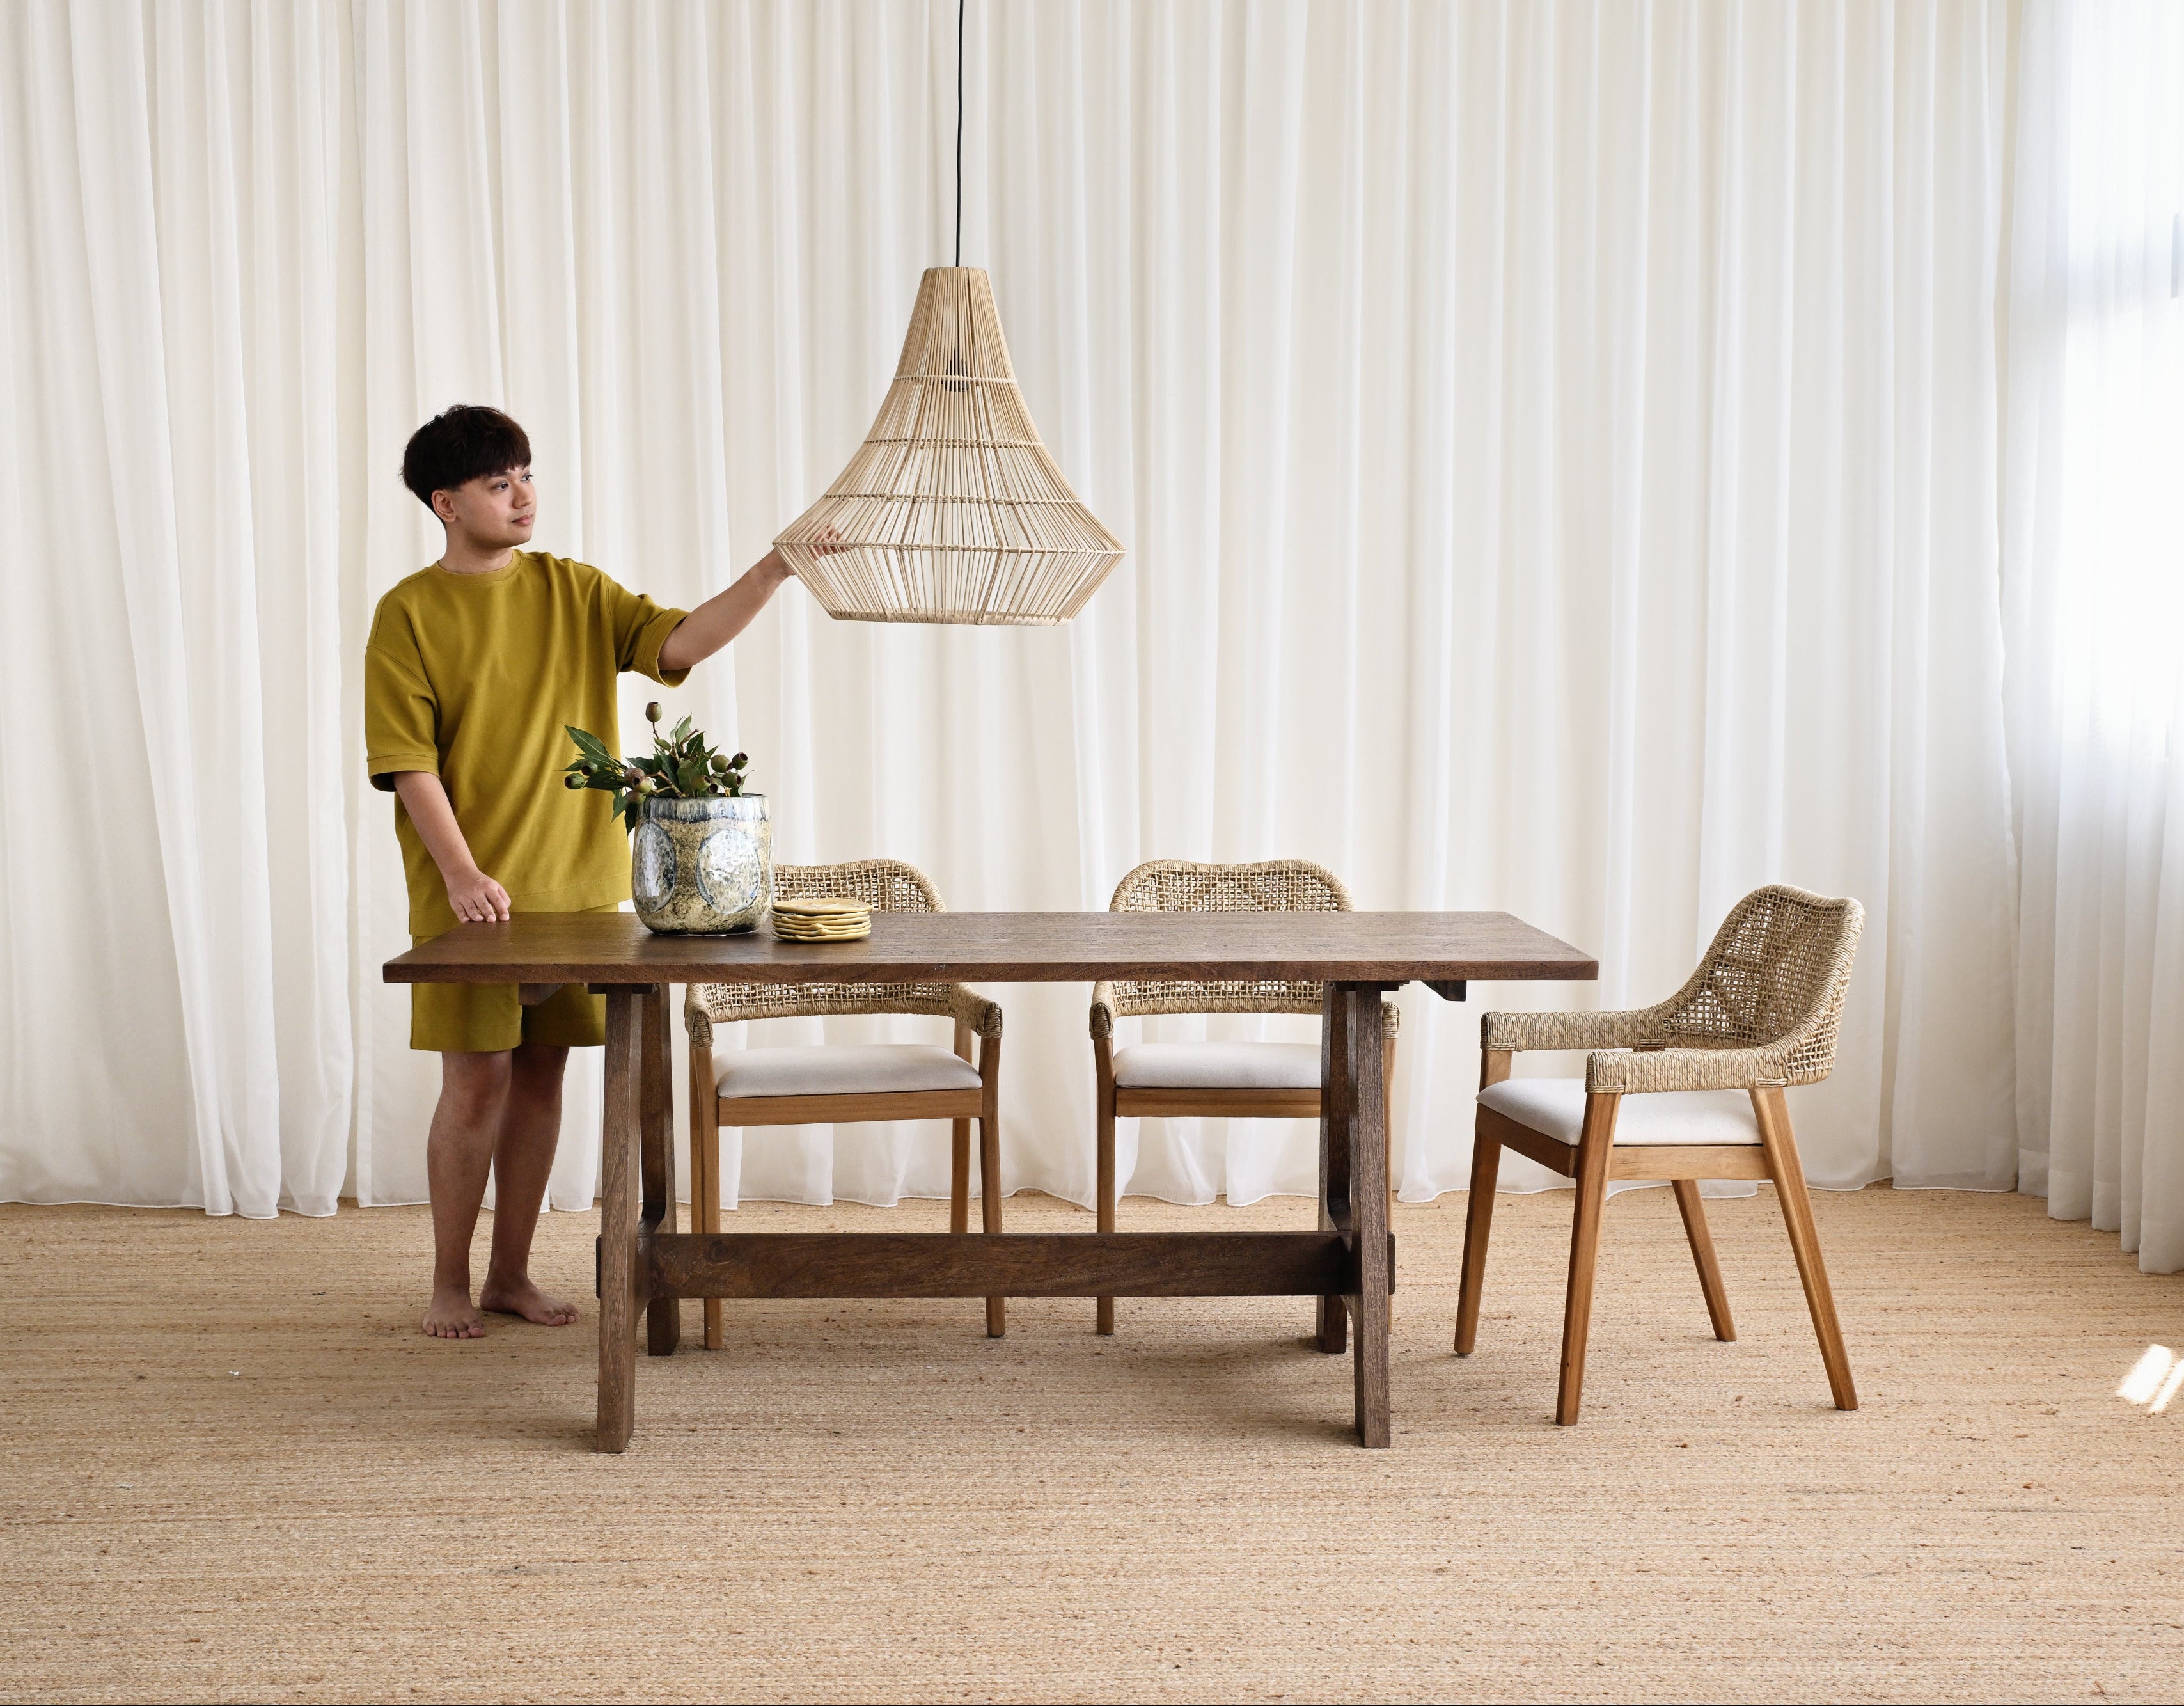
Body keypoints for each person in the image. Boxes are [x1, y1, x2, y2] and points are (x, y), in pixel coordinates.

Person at [365, 404, 817, 1339]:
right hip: (472, 897)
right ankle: (450, 1281)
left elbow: (680, 643)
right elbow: (409, 760)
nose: (524, 493)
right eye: (500, 481)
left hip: (575, 896)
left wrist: (776, 569)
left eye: (527, 472)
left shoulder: (574, 590)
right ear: (445, 503)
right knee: (475, 1083)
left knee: (541, 1081)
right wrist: (458, 873)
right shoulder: (408, 612)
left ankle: (510, 1276)